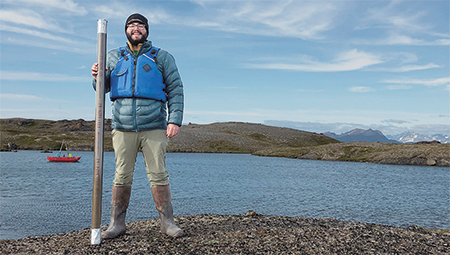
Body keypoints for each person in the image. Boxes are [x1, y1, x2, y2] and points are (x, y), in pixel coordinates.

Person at [91, 13, 184, 239]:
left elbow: (176, 89)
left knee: (159, 174)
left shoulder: (162, 57)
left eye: (140, 25)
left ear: (146, 30)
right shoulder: (112, 56)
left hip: (154, 125)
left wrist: (175, 120)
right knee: (121, 175)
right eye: (131, 25)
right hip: (122, 127)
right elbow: (100, 88)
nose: (136, 28)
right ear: (126, 30)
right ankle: (117, 224)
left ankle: (167, 223)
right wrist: (96, 76)